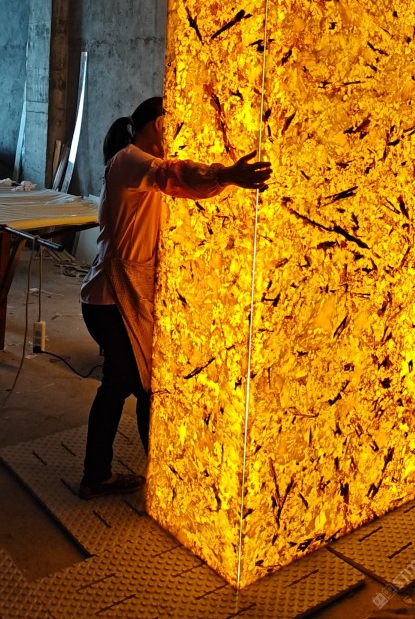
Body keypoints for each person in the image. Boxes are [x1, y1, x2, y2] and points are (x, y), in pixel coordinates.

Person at [79, 96, 271, 500]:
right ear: (157, 124)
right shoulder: (131, 159)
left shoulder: (134, 166)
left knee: (120, 382)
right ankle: (161, 480)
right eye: (173, 123)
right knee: (142, 386)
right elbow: (174, 175)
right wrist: (226, 175)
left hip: (116, 296)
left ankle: (101, 474)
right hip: (111, 299)